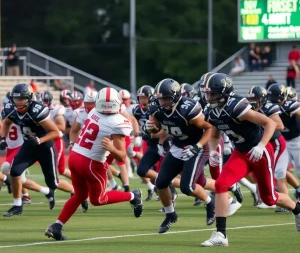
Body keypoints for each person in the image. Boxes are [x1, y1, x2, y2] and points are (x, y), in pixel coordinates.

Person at [200, 73, 300, 247]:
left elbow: (270, 123)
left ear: (224, 93)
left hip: (260, 152)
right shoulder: (211, 110)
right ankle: (221, 234)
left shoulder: (237, 106)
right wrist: (215, 150)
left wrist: (261, 146)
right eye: (207, 93)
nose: (208, 97)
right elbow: (215, 134)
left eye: (213, 94)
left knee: (269, 198)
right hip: (241, 153)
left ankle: (297, 209)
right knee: (220, 184)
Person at [44, 87, 143, 241]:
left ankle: (56, 226)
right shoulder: (118, 121)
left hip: (75, 157)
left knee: (80, 195)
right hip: (91, 163)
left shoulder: (92, 112)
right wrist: (111, 148)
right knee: (98, 200)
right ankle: (133, 196)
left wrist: (110, 148)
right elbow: (122, 155)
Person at [145, 78, 215, 233]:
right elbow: (154, 132)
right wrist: (150, 128)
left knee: (186, 187)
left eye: (165, 98)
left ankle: (210, 203)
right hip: (178, 145)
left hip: (196, 145)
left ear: (175, 96)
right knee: (161, 182)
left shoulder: (188, 109)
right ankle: (171, 215)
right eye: (160, 99)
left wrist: (197, 147)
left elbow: (209, 128)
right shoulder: (156, 108)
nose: (162, 102)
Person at [0, 84, 60, 216]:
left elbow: (56, 132)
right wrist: (3, 138)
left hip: (45, 146)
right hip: (28, 145)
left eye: (22, 99)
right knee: (15, 171)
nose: (19, 102)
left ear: (29, 98)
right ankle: (17, 205)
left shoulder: (36, 110)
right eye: (16, 99)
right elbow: (7, 123)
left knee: (52, 182)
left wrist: (39, 140)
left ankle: (76, 195)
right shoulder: (11, 109)